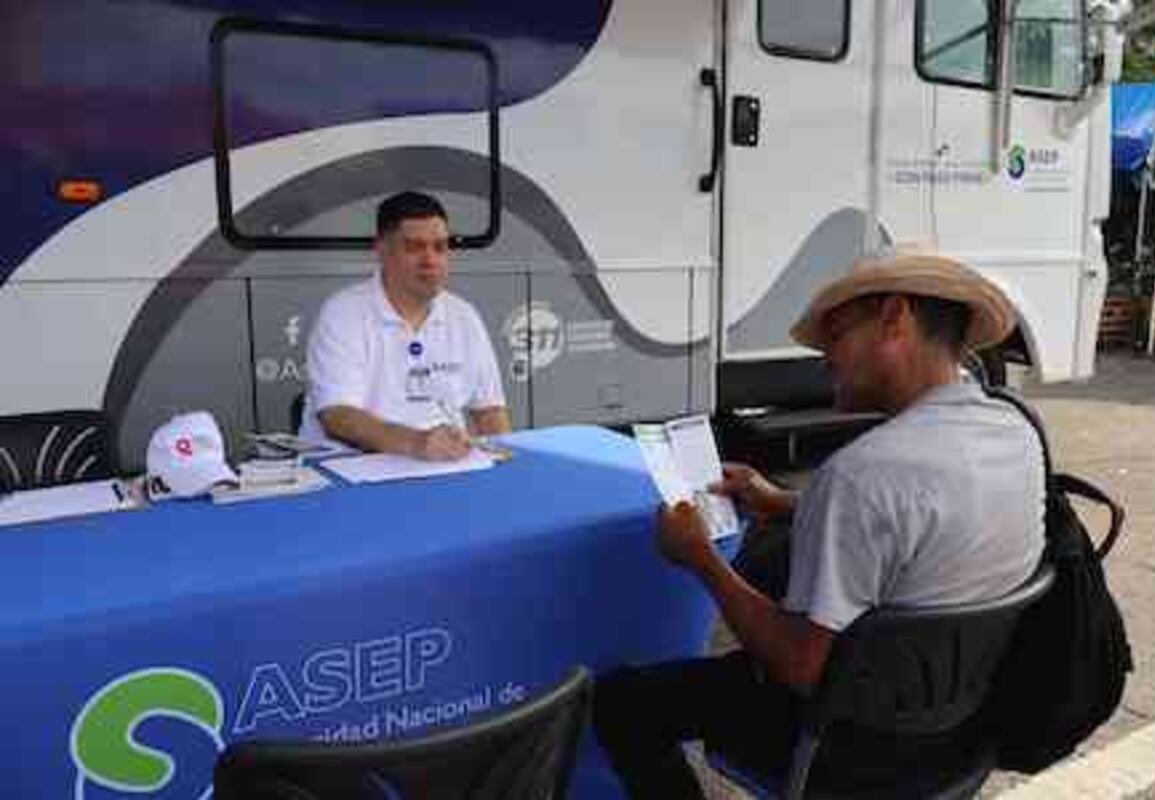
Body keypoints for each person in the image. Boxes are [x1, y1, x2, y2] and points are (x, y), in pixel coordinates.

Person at [593, 252, 1046, 797]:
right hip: (963, 726)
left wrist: (702, 560)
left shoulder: (861, 475)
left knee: (622, 702)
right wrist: (782, 501)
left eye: (833, 333)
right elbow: (926, 524)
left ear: (894, 317)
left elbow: (800, 666)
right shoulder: (1015, 429)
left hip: (852, 748)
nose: (823, 355)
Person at [300, 191, 510, 460]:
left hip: (442, 467)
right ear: (382, 251)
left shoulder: (463, 316)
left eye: (440, 247)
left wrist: (506, 464)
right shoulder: (343, 313)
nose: (430, 260)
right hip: (352, 470)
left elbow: (490, 411)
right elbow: (338, 416)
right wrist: (418, 443)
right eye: (414, 247)